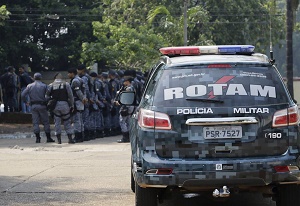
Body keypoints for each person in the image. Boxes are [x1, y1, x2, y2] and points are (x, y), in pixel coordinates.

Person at [21, 73, 55, 143]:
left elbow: (23, 95)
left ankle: (37, 138)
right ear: (41, 78)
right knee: (45, 122)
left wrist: (26, 102)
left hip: (33, 105)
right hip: (42, 105)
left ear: (34, 78)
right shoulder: (44, 86)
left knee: (35, 122)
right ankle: (48, 138)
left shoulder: (30, 86)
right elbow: (49, 95)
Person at [46, 72, 75, 144]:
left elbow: (46, 96)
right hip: (65, 105)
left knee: (57, 122)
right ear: (61, 77)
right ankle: (70, 139)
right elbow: (70, 96)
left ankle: (59, 140)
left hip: (55, 106)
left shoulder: (51, 85)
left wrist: (51, 100)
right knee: (67, 121)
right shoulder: (66, 84)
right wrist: (72, 105)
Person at [67, 68, 87, 143]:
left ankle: (78, 136)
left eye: (69, 73)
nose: (68, 75)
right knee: (80, 120)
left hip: (76, 102)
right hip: (80, 102)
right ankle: (81, 136)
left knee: (76, 120)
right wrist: (84, 98)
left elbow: (78, 91)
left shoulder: (75, 81)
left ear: (72, 73)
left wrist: (83, 99)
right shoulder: (81, 79)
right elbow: (84, 90)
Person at [77, 64, 93, 141]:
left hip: (84, 100)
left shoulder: (84, 78)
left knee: (84, 119)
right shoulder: (88, 77)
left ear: (82, 70)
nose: (77, 71)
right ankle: (87, 134)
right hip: (87, 99)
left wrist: (88, 98)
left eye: (78, 70)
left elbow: (86, 89)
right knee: (86, 118)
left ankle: (86, 135)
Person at [117, 76, 135, 143]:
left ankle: (125, 137)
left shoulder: (128, 89)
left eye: (124, 81)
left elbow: (126, 98)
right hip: (131, 106)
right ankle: (129, 137)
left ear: (127, 82)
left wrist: (119, 103)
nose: (123, 83)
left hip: (127, 106)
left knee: (122, 121)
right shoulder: (132, 87)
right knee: (128, 122)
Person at [108, 69, 121, 136]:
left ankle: (115, 128)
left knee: (114, 115)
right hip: (117, 100)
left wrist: (113, 100)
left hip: (115, 100)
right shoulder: (116, 81)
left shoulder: (114, 82)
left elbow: (115, 92)